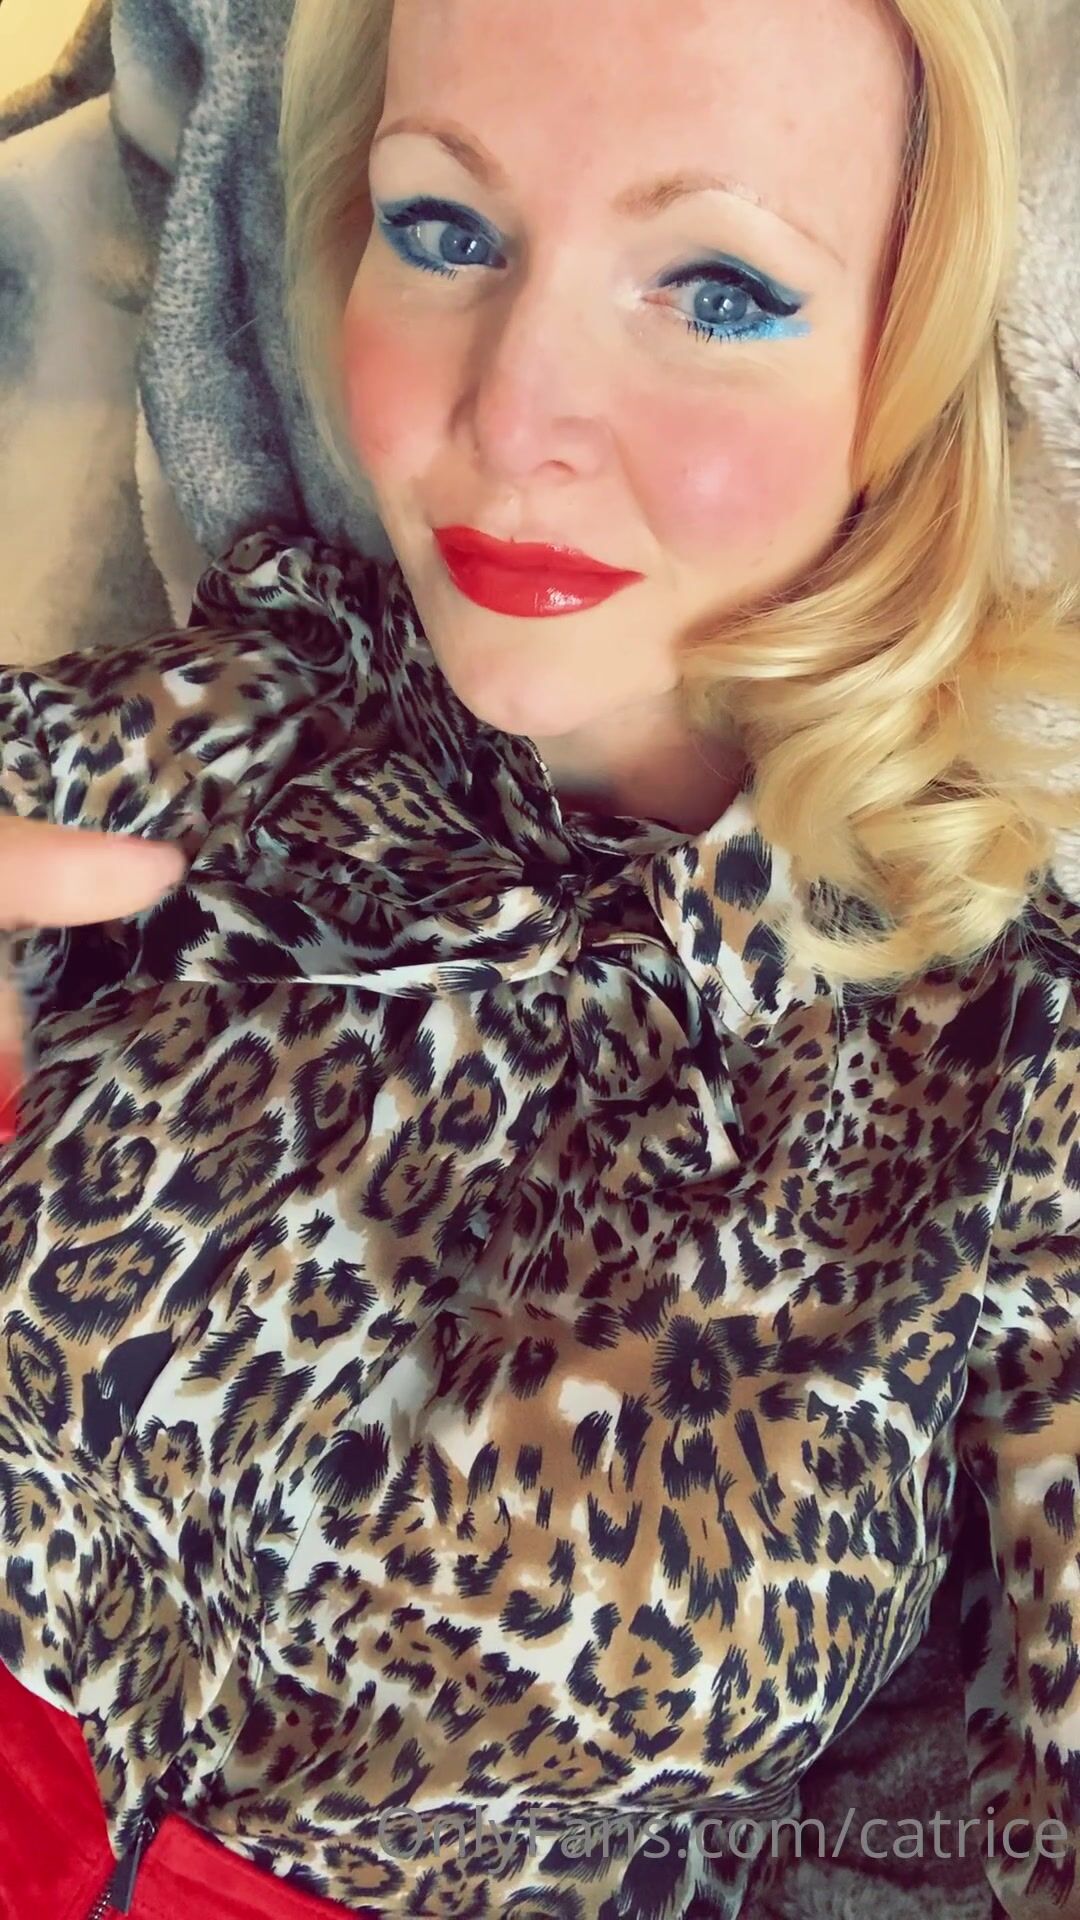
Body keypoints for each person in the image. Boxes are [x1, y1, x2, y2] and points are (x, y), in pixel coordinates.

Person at [0, 0, 1078, 1916]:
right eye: (444, 230)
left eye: (722, 289)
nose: (511, 421)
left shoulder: (1010, 1076)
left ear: (908, 370)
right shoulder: (276, 706)